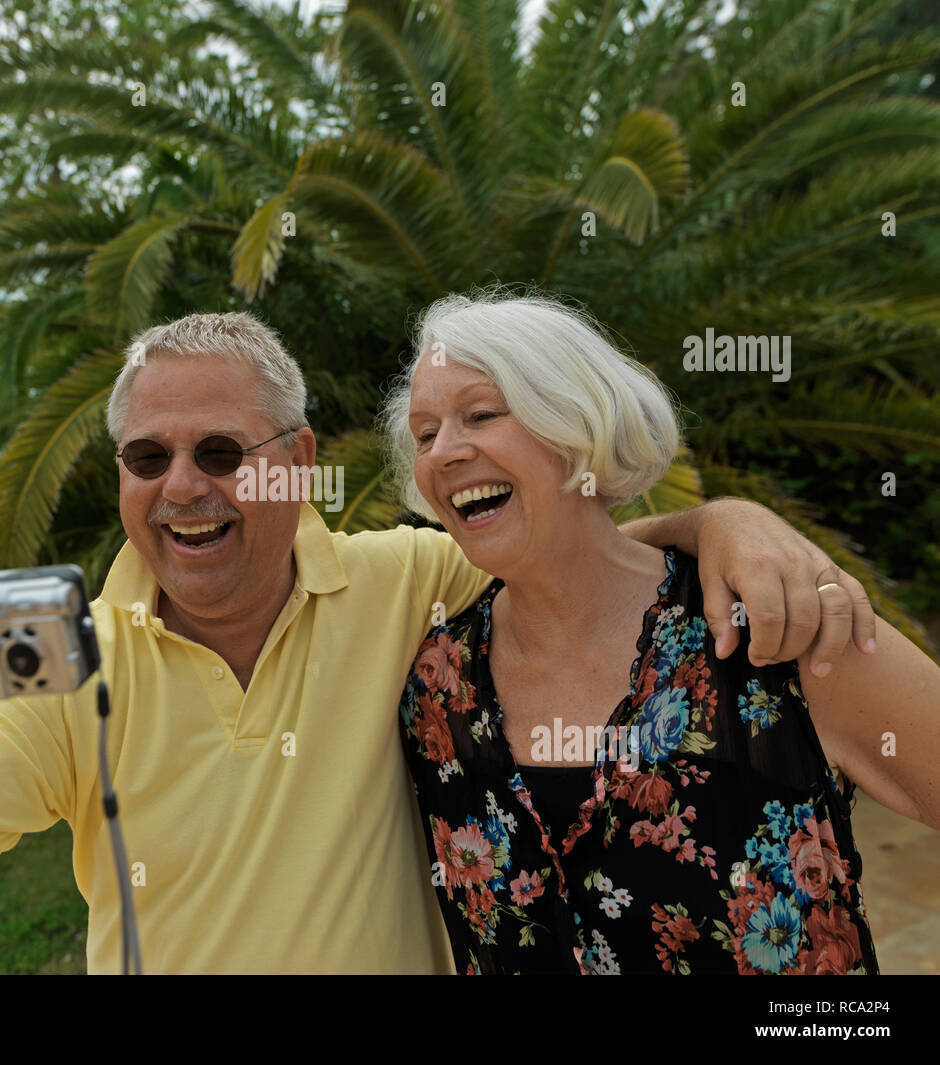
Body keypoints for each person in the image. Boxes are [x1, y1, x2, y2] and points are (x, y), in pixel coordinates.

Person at [0, 312, 878, 974]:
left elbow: (575, 543)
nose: (182, 487)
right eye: (146, 459)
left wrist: (726, 522)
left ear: (296, 455)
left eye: (222, 452)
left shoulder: (411, 582)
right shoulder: (67, 667)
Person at [385, 291, 940, 975]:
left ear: (577, 424)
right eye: (424, 433)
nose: (442, 451)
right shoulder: (434, 689)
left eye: (480, 414)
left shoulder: (768, 628)